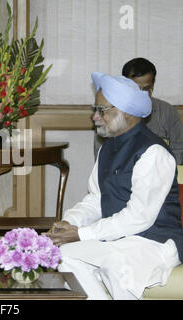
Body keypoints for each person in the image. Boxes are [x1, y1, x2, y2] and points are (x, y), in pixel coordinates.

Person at [47, 72, 183, 300]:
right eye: (95, 110)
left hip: (156, 242)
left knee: (118, 264)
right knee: (65, 255)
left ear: (126, 111)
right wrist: (69, 223)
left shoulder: (153, 152)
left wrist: (82, 234)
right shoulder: (106, 150)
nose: (95, 117)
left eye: (102, 110)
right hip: (121, 241)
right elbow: (96, 200)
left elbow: (139, 217)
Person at [94, 57, 183, 164]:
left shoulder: (168, 112)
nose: (141, 94)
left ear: (153, 85)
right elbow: (102, 156)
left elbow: (179, 151)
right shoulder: (109, 113)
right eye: (135, 88)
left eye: (146, 89)